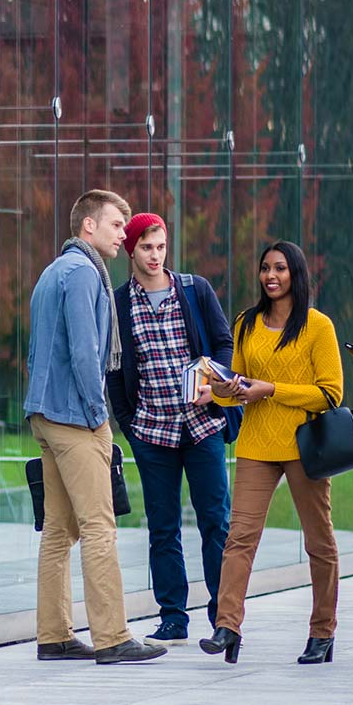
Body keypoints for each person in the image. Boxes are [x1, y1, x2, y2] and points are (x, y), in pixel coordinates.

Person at [24, 189, 165, 666]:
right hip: (74, 416)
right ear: (88, 226)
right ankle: (112, 636)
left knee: (59, 530)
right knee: (99, 526)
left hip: (44, 413)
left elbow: (38, 348)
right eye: (114, 225)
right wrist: (97, 414)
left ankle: (55, 635)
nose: (122, 233)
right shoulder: (84, 274)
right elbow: (86, 353)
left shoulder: (52, 272)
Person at [200, 241, 342, 665]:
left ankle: (322, 632)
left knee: (319, 542)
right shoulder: (246, 323)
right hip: (257, 445)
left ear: (296, 274)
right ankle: (227, 626)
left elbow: (330, 394)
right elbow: (237, 391)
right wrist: (222, 391)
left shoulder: (318, 327)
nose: (271, 276)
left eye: (280, 268)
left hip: (305, 448)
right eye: (265, 268)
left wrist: (272, 389)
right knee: (238, 539)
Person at [106, 213, 232, 645]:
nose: (155, 255)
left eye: (160, 247)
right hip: (152, 433)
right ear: (132, 252)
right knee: (163, 526)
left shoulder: (195, 290)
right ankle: (173, 616)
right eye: (146, 247)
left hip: (202, 427)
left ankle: (224, 614)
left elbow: (223, 343)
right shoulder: (118, 302)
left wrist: (215, 385)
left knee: (216, 522)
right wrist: (130, 424)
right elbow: (114, 368)